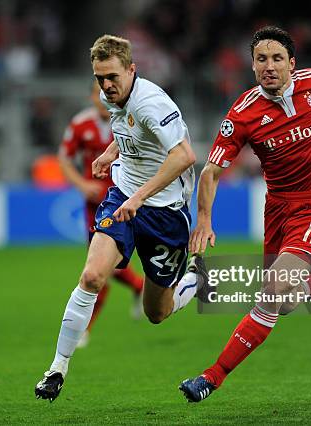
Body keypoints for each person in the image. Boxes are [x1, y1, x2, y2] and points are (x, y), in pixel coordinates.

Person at [178, 26, 311, 402]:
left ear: (291, 63)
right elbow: (211, 171)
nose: (269, 66)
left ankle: (210, 378)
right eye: (261, 59)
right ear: (252, 66)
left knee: (272, 289)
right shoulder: (243, 114)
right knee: (285, 300)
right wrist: (203, 219)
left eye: (277, 58)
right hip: (278, 209)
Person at [36, 34, 199, 402]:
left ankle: (193, 282)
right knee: (92, 275)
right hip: (122, 196)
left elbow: (185, 156)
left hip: (165, 214)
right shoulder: (116, 98)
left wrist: (141, 197)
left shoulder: (151, 103)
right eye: (99, 79)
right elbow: (130, 129)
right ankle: (57, 369)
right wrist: (112, 152)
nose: (106, 86)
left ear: (131, 70)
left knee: (157, 312)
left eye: (112, 77)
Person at [58, 81, 145, 347]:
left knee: (101, 268)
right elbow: (63, 158)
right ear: (91, 97)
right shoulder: (80, 124)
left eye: (105, 93)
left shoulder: (131, 118)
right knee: (102, 267)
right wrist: (82, 184)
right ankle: (140, 287)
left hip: (125, 200)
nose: (102, 99)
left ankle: (84, 328)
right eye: (97, 94)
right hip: (95, 205)